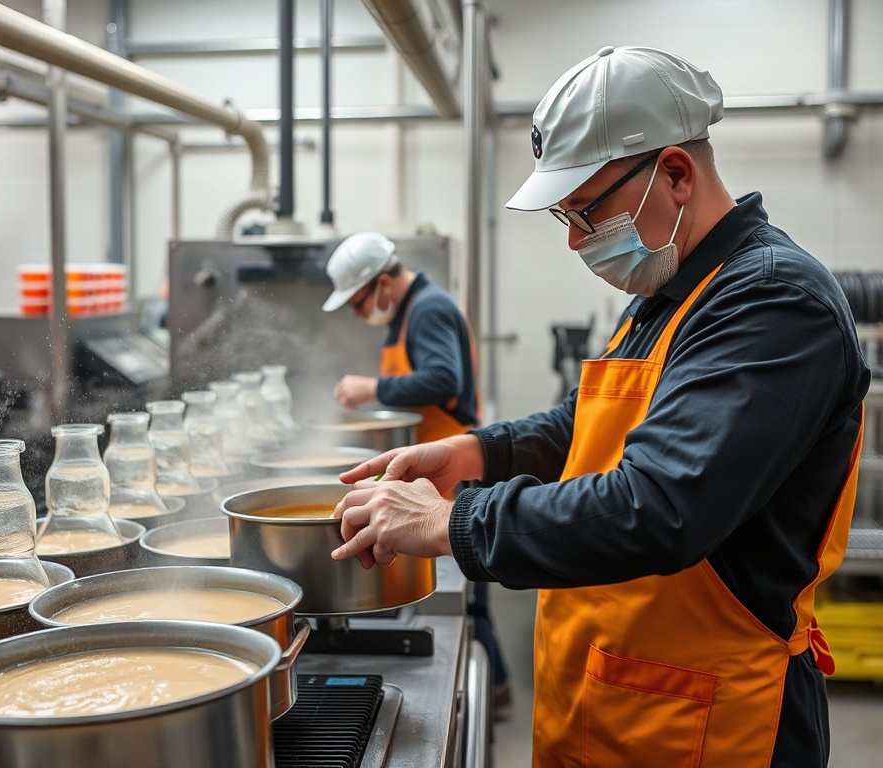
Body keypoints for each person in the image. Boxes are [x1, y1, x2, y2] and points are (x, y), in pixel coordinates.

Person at [330, 45, 870, 767]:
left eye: (586, 210)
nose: (576, 239)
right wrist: (478, 453)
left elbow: (658, 506)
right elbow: (587, 419)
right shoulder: (670, 290)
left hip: (713, 723)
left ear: (675, 173)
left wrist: (451, 521)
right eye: (566, 214)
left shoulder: (772, 302)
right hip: (624, 702)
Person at [321, 231, 512, 717]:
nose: (359, 315)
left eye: (359, 304)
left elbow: (441, 378)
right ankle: (500, 683)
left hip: (454, 468)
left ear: (383, 283)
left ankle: (497, 686)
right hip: (437, 465)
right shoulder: (408, 313)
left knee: (468, 592)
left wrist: (372, 388)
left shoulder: (427, 308)